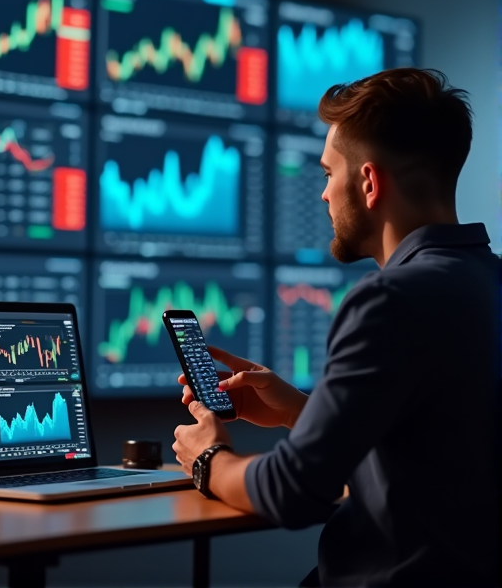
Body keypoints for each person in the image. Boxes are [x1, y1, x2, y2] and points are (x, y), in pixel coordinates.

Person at [172, 68, 500, 587]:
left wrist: (207, 458)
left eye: (328, 173)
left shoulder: (389, 299)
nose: (324, 194)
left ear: (369, 183)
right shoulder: (489, 281)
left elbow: (294, 492)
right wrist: (301, 412)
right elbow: (437, 476)